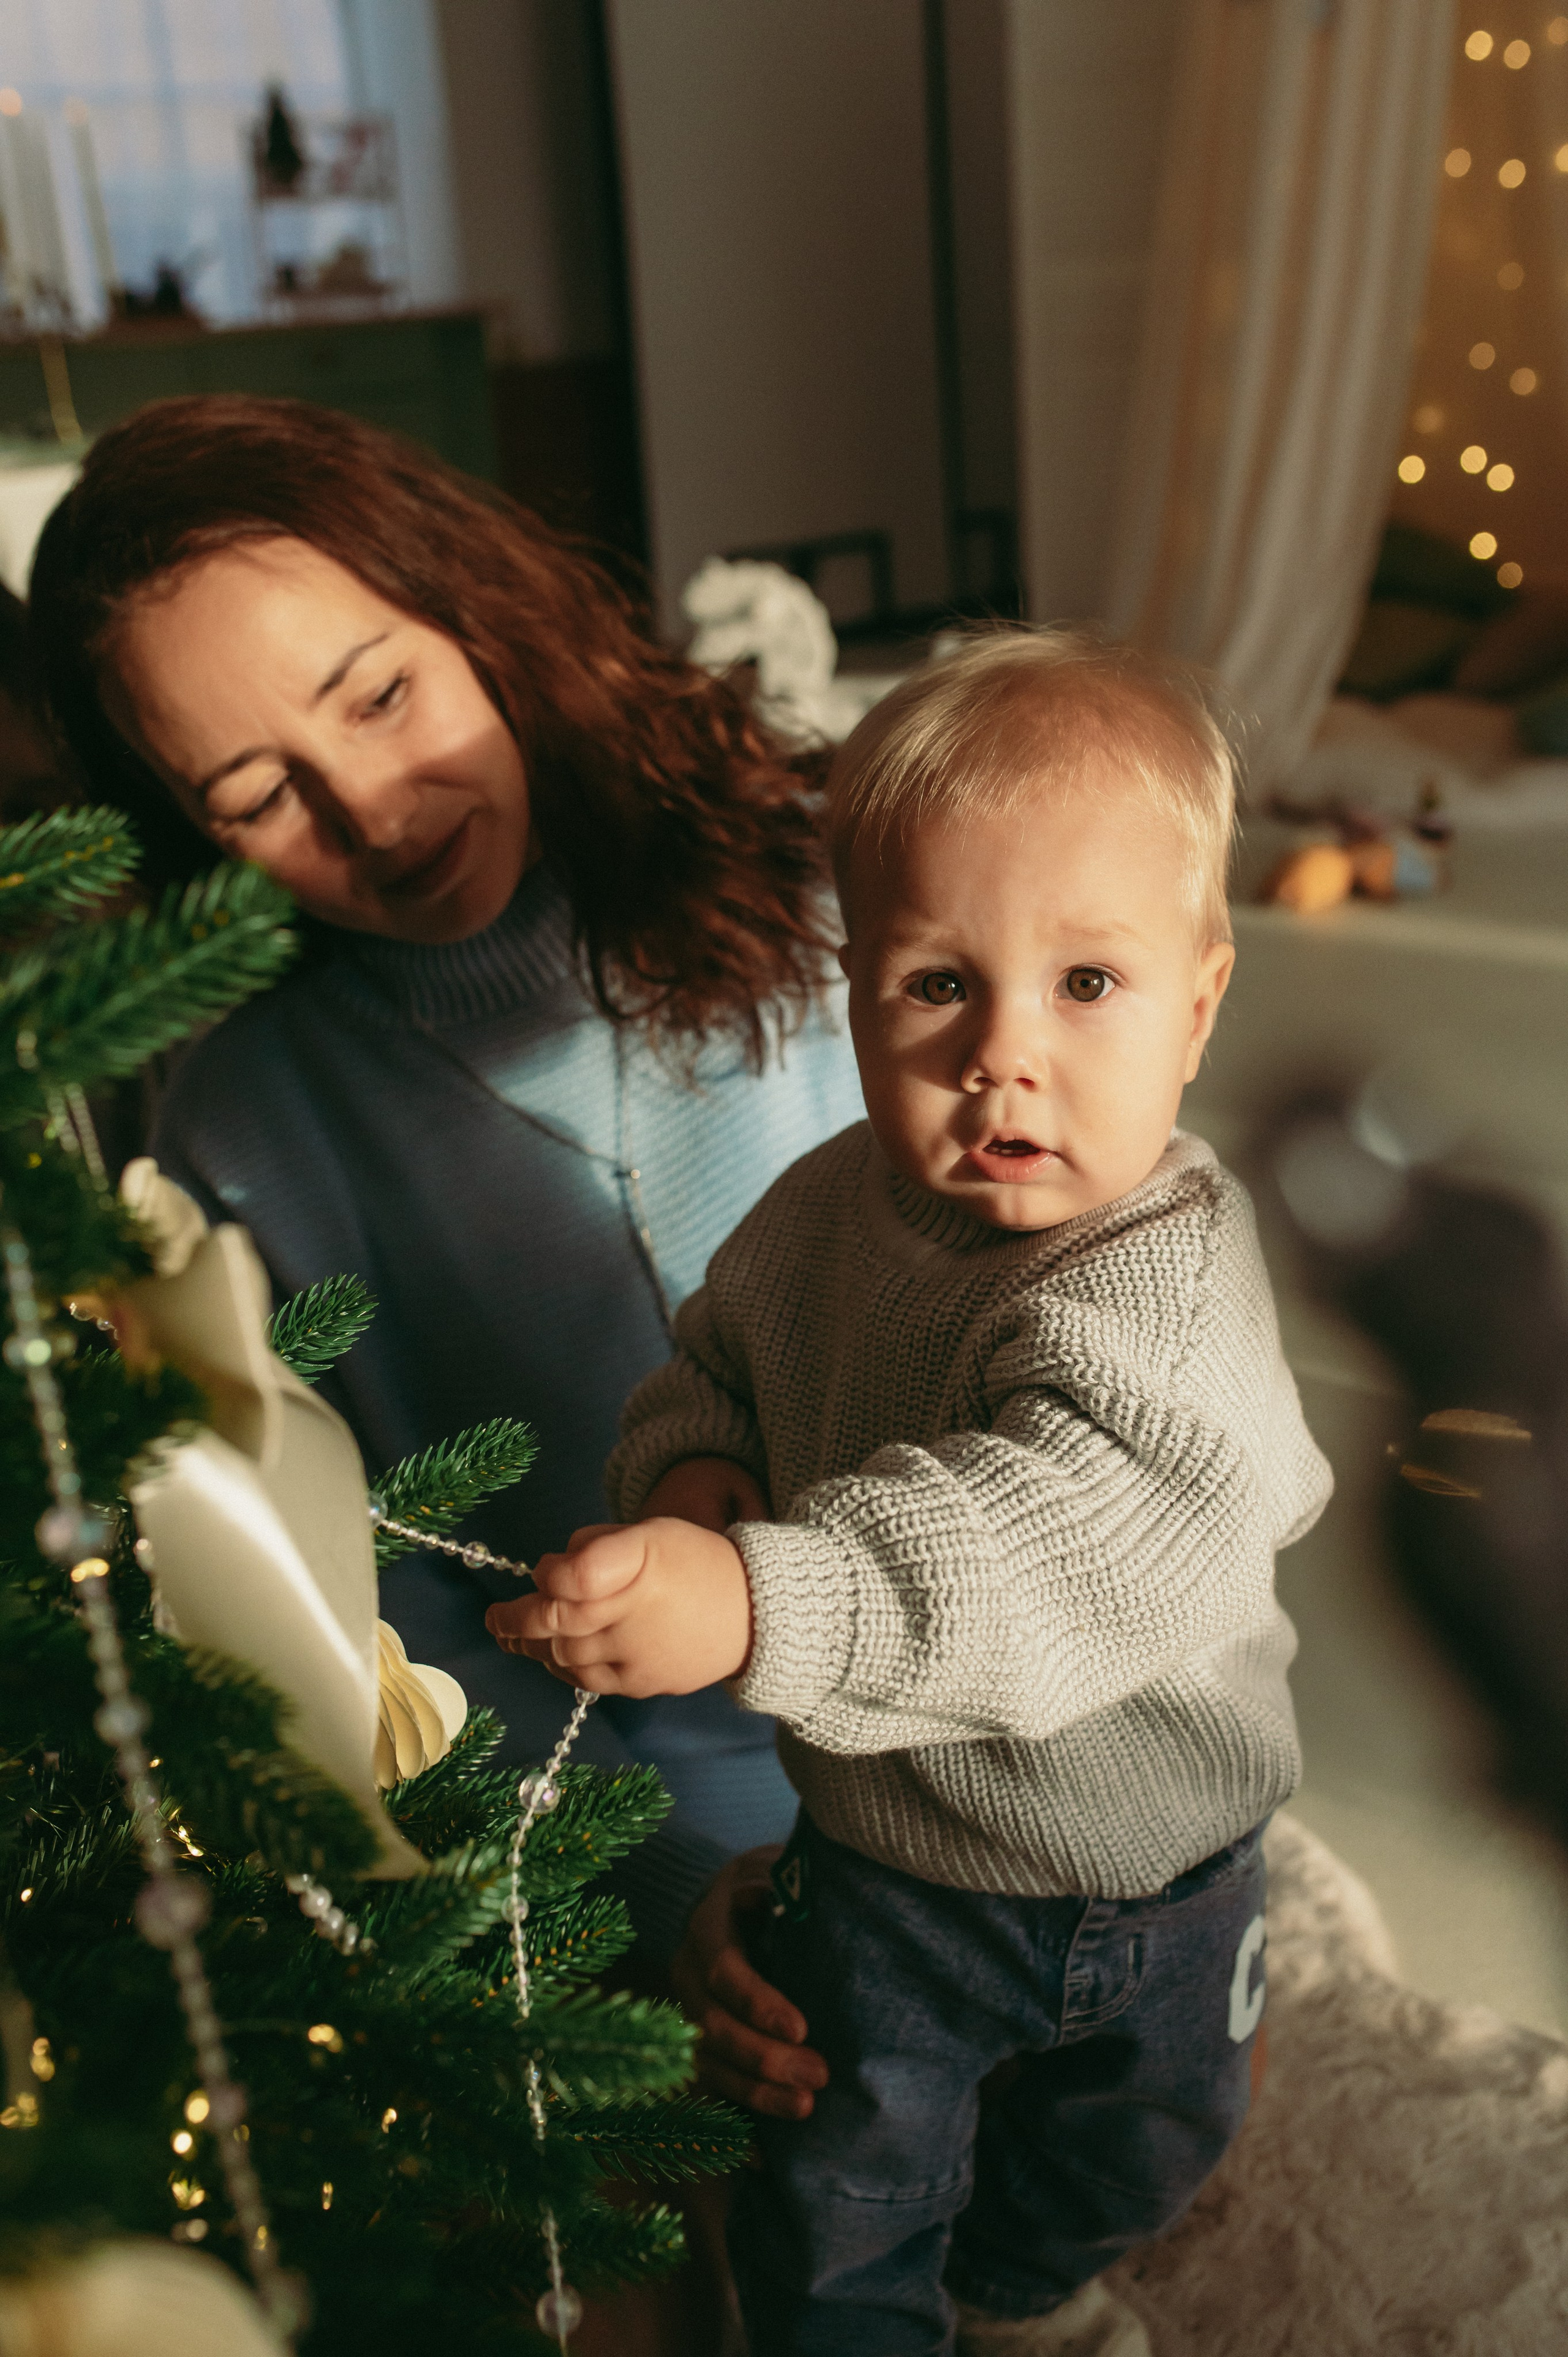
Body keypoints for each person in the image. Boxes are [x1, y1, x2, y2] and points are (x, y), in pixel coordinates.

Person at [489, 628, 1334, 2357]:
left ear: (1201, 999)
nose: (1001, 1055)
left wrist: (757, 1599)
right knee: (839, 2183)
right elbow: (713, 1364)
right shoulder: (822, 1210)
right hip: (889, 1863)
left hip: (1158, 1880)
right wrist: (699, 1481)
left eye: (1086, 984)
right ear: (856, 987)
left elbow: (1036, 1544)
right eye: (938, 985)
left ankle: (1029, 2294)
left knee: (1142, 2143)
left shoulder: (1166, 1285)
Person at [26, 394, 859, 2089]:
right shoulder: (247, 1116)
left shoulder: (829, 861)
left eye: (382, 694)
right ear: (193, 834)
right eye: (262, 792)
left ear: (475, 609)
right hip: (667, 1796)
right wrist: (666, 1891)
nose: (372, 812)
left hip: (1010, 1700)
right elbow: (374, 1608)